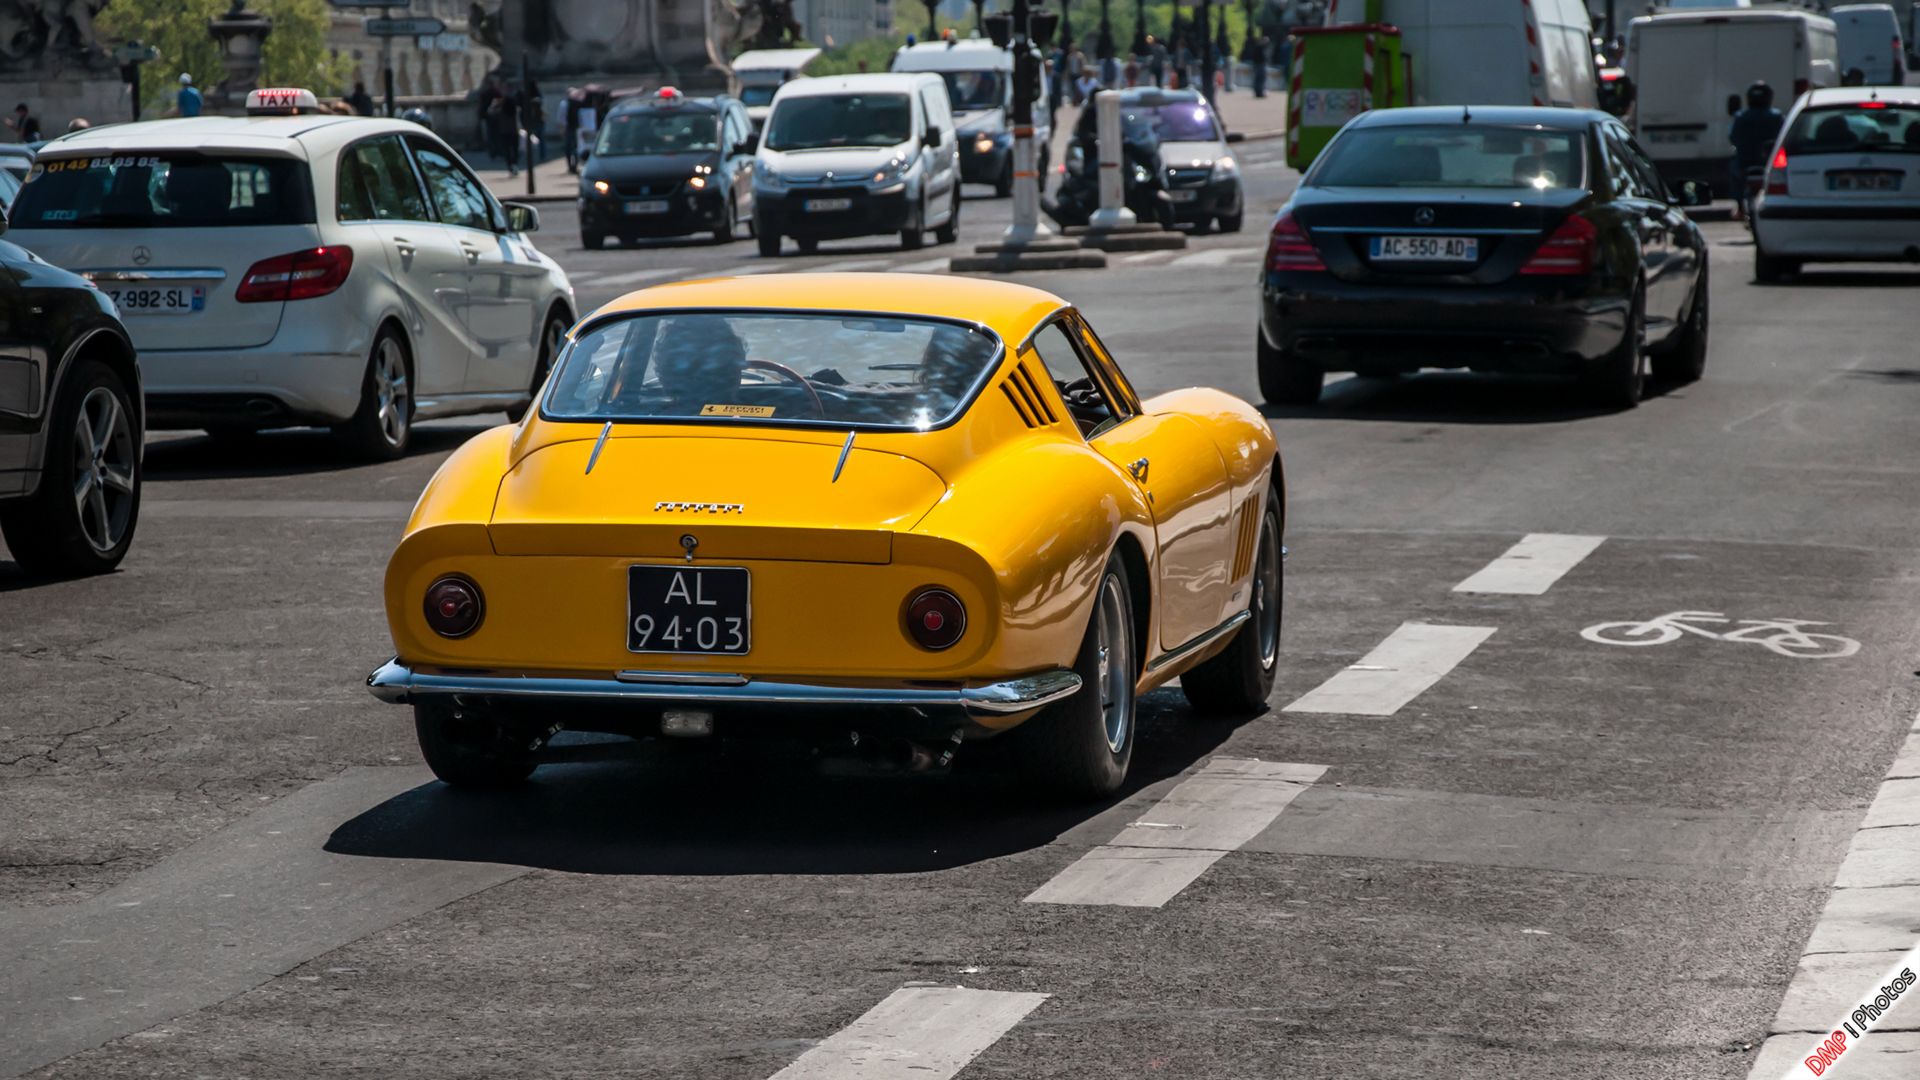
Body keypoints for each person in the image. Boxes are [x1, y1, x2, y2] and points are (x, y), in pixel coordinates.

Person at [1728, 80, 1784, 221]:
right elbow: (1783, 138)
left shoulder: (1741, 117)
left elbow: (1733, 137)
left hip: (1745, 163)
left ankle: (1739, 207)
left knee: (1733, 173)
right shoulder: (1776, 116)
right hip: (1768, 162)